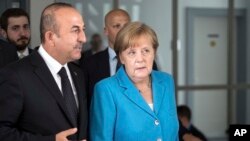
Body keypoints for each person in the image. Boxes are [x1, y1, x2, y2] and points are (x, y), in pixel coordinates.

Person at [0, 2, 88, 141]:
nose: (83, 38)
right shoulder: (14, 75)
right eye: (75, 30)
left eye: (83, 29)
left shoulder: (78, 74)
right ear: (50, 37)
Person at [89, 21, 179, 141]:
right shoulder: (106, 89)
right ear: (121, 57)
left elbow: (174, 134)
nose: (140, 59)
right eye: (132, 53)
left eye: (146, 51)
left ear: (154, 52)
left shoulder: (166, 81)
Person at [80, 9, 131, 102]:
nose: (123, 31)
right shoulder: (89, 64)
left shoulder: (144, 62)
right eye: (117, 26)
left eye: (126, 26)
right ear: (106, 31)